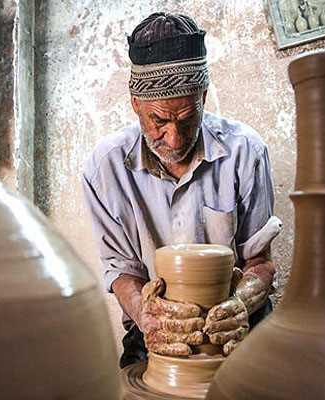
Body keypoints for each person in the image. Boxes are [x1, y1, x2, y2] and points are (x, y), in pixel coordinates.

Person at [81, 12, 283, 368]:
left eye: (188, 120)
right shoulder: (106, 167)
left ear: (204, 96)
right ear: (135, 104)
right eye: (159, 121)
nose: (174, 139)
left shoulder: (245, 151)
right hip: (156, 328)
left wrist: (240, 303)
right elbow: (122, 270)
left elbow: (259, 262)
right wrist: (147, 315)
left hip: (237, 320)